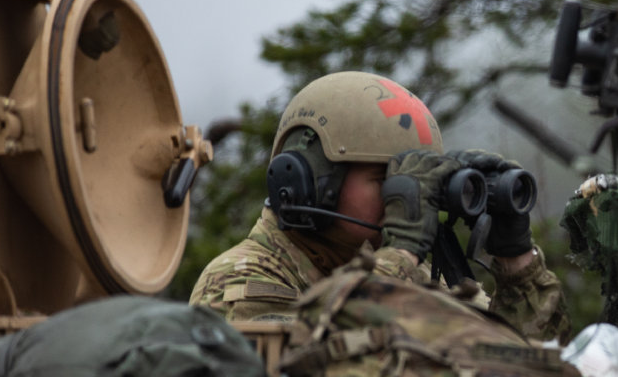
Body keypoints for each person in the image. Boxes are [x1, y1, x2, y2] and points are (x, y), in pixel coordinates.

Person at [190, 72, 570, 342]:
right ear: (311, 181)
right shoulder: (242, 280)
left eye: (414, 181)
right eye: (384, 178)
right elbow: (321, 376)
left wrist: (516, 259)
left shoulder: (416, 274)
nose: (402, 196)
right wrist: (402, 250)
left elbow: (532, 371)